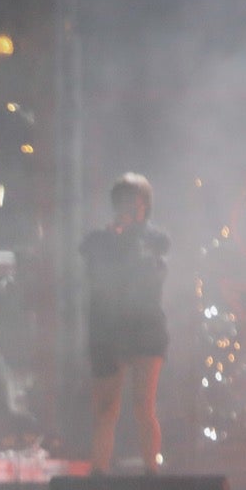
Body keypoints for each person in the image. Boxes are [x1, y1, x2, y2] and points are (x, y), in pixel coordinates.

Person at [80, 172, 170, 473]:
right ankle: (98, 479)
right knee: (106, 410)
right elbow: (94, 270)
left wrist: (131, 236)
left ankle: (151, 477)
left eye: (133, 200)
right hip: (108, 331)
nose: (127, 206)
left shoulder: (155, 241)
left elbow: (151, 271)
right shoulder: (100, 241)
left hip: (145, 329)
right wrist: (115, 239)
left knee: (144, 407)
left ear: (145, 204)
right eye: (121, 200)